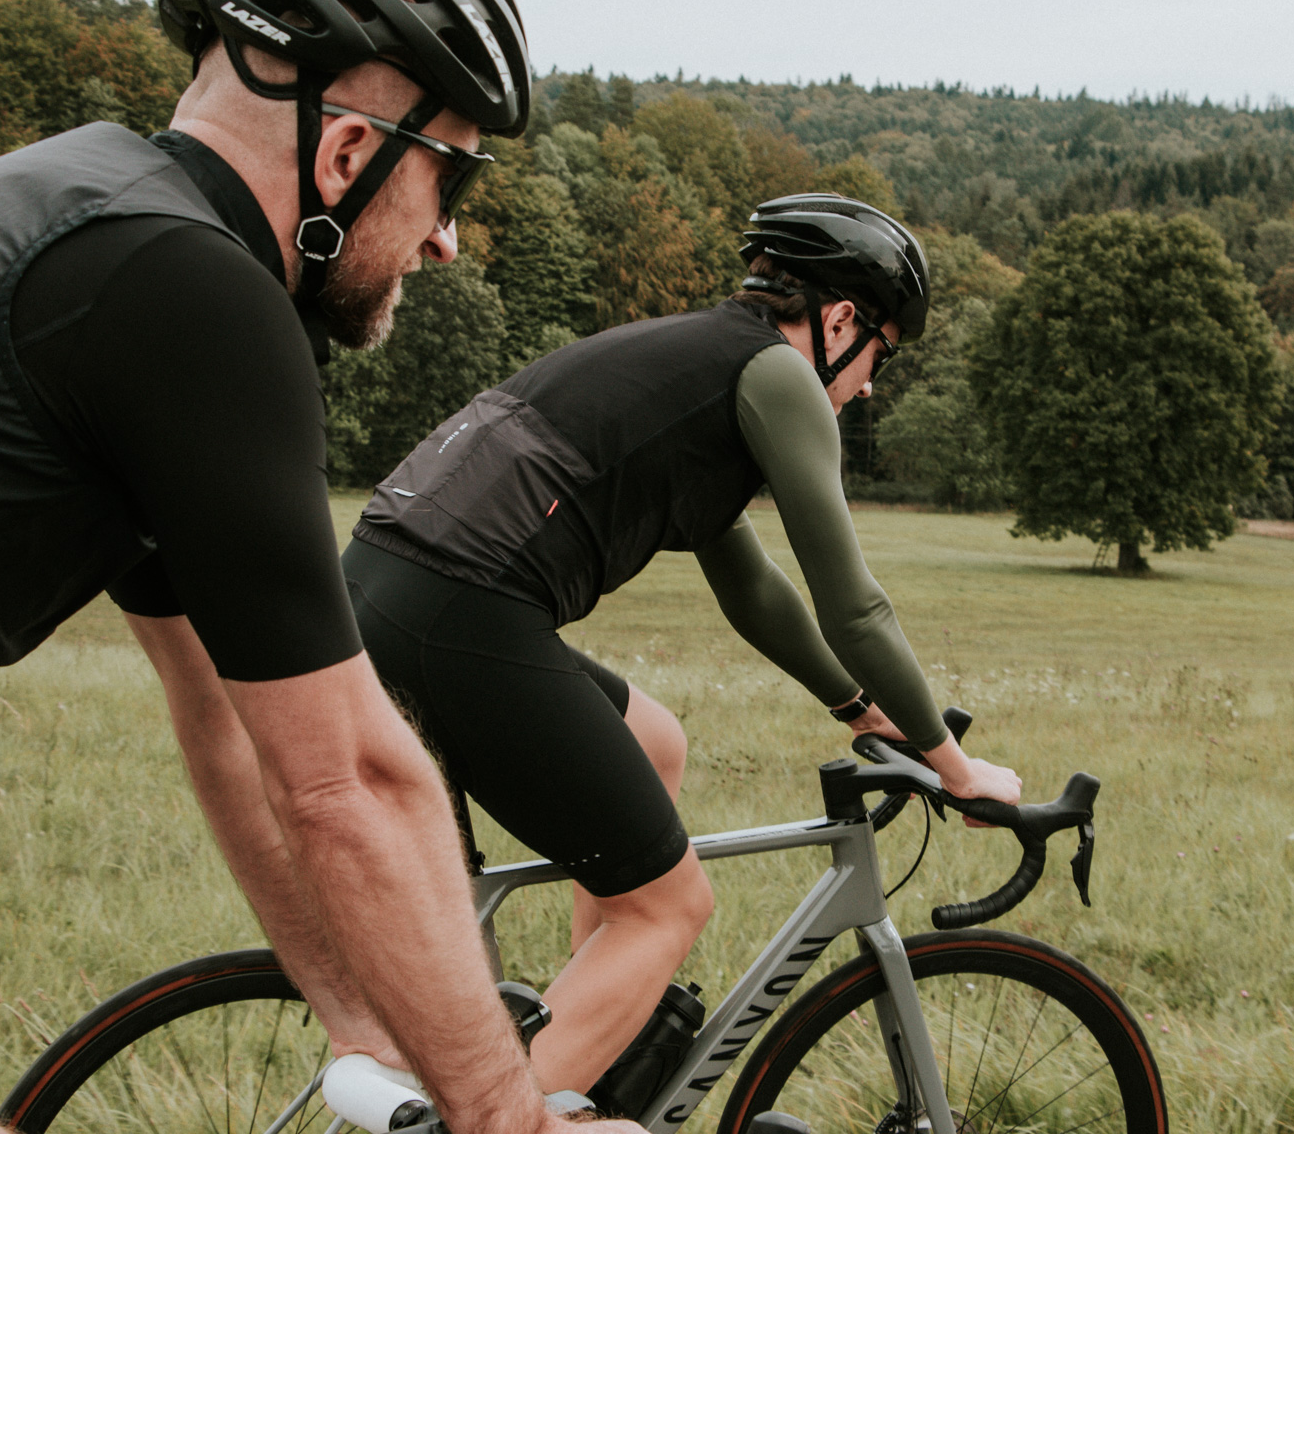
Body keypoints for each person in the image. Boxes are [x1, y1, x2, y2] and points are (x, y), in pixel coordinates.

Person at [0, 0, 621, 1134]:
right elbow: (353, 778)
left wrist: (372, 1027)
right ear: (350, 151)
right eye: (452, 177)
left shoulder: (102, 233)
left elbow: (244, 735)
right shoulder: (187, 297)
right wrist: (509, 1126)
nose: (446, 238)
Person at [342, 192, 1024, 1115]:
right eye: (882, 356)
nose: (868, 386)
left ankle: (574, 1051)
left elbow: (752, 589)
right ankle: (497, 1128)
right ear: (839, 320)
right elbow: (853, 606)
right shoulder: (778, 379)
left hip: (384, 585)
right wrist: (953, 766)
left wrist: (861, 712)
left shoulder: (699, 359)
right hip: (459, 612)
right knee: (667, 906)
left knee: (654, 742)